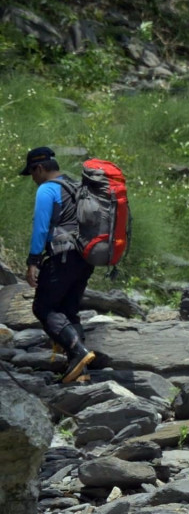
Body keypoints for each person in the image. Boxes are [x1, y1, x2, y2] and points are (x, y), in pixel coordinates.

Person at [21, 146, 95, 383]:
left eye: (32, 173)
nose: (32, 179)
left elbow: (41, 228)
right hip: (85, 258)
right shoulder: (76, 186)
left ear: (40, 168)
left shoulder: (47, 189)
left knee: (43, 308)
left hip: (62, 257)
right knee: (68, 311)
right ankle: (79, 371)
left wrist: (33, 261)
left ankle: (78, 352)